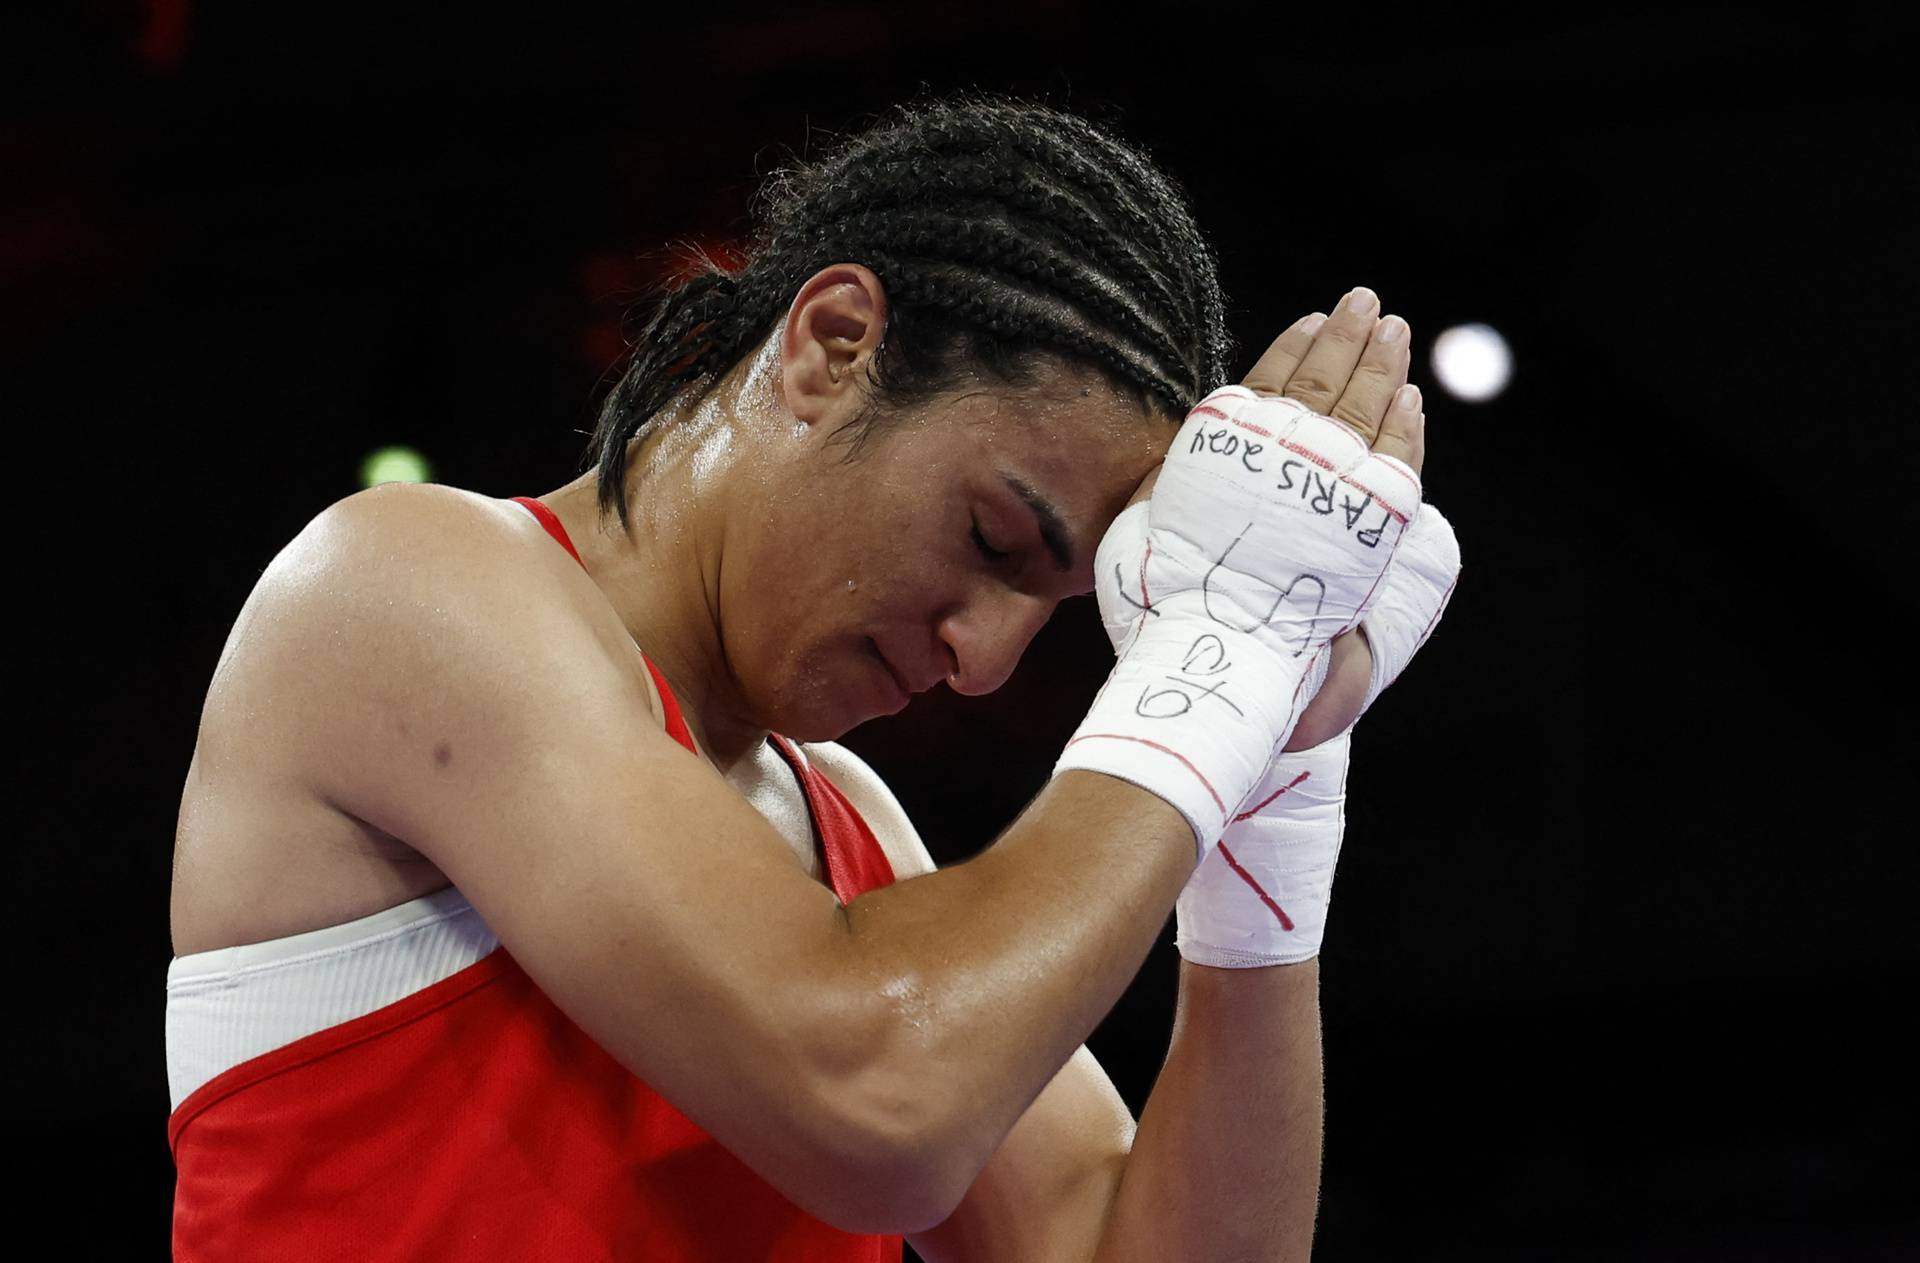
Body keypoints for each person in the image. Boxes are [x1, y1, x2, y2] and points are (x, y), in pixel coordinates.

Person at [167, 91, 1459, 1260]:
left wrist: (1279, 767)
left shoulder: (856, 836)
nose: (985, 656)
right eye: (992, 540)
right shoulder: (406, 583)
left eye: (1048, 611)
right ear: (831, 345)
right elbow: (879, 1101)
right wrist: (1216, 659)